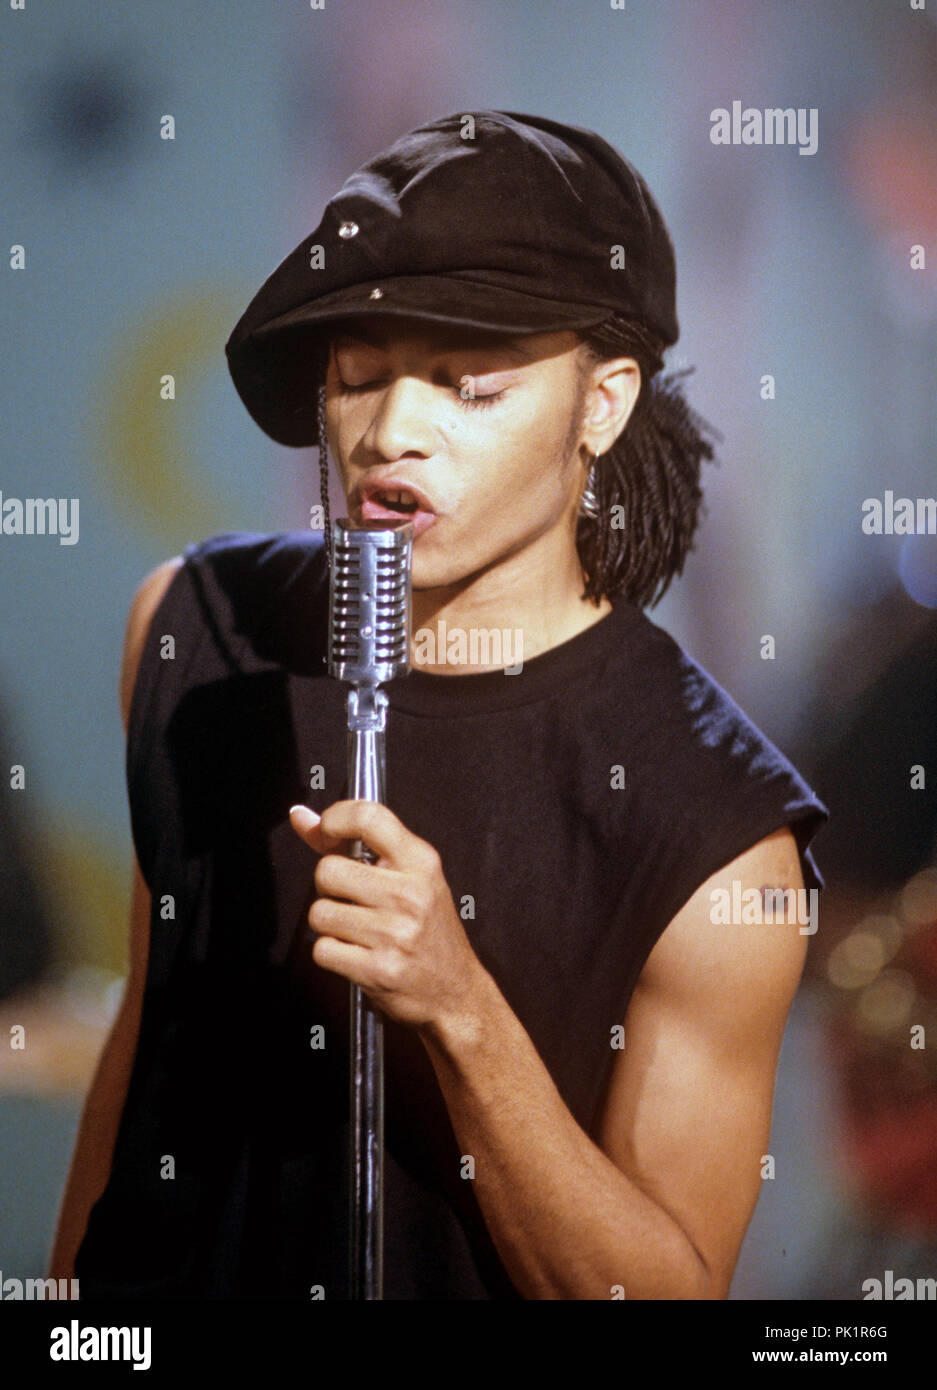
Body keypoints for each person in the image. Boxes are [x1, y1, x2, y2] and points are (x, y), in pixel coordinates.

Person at [54, 110, 829, 1300]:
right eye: (360, 376)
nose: (391, 432)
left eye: (467, 385)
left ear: (603, 402)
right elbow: (147, 1049)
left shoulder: (714, 832)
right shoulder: (190, 626)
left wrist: (459, 1008)